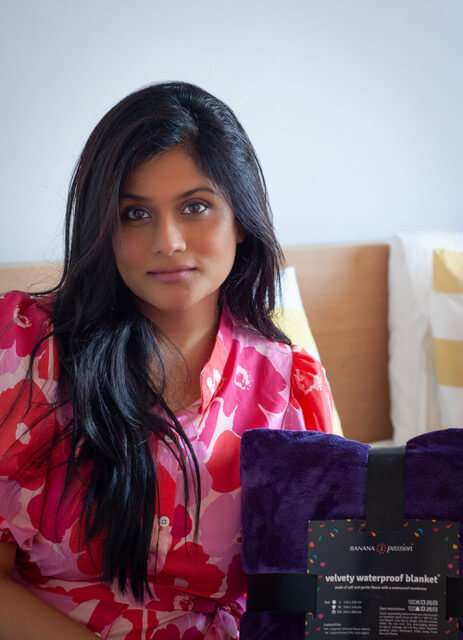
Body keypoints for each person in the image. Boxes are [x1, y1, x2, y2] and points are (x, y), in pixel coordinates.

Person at [0, 81, 334, 639]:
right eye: (134, 214)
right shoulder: (26, 350)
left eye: (195, 207)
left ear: (241, 217)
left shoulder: (289, 386)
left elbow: (317, 589)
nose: (169, 241)